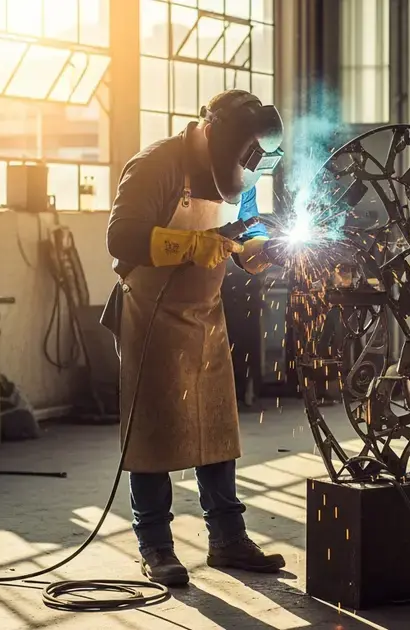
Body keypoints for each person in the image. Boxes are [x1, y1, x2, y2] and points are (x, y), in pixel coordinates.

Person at [100, 89, 286, 588]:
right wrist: (190, 244)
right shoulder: (156, 164)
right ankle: (156, 546)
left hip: (206, 312)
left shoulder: (241, 169)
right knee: (153, 432)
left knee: (218, 426)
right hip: (152, 312)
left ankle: (227, 539)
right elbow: (120, 238)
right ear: (213, 138)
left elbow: (242, 235)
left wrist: (260, 251)